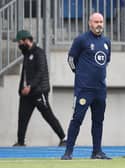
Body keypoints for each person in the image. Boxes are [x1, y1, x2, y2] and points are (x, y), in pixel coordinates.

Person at [61, 13, 111, 160]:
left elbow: (106, 61)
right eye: (96, 21)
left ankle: (97, 152)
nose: (99, 24)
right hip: (84, 89)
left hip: (100, 90)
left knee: (98, 121)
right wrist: (79, 74)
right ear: (90, 23)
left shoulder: (107, 42)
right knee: (77, 119)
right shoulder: (81, 40)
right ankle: (68, 152)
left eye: (101, 21)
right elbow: (71, 59)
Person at [13, 30, 66, 147]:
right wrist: (21, 89)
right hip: (27, 94)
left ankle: (64, 138)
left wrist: (30, 86)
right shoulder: (26, 55)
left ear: (27, 40)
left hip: (38, 92)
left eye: (20, 42)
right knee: (22, 117)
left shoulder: (39, 53)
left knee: (48, 116)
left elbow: (40, 72)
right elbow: (25, 74)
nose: (19, 45)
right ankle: (20, 142)